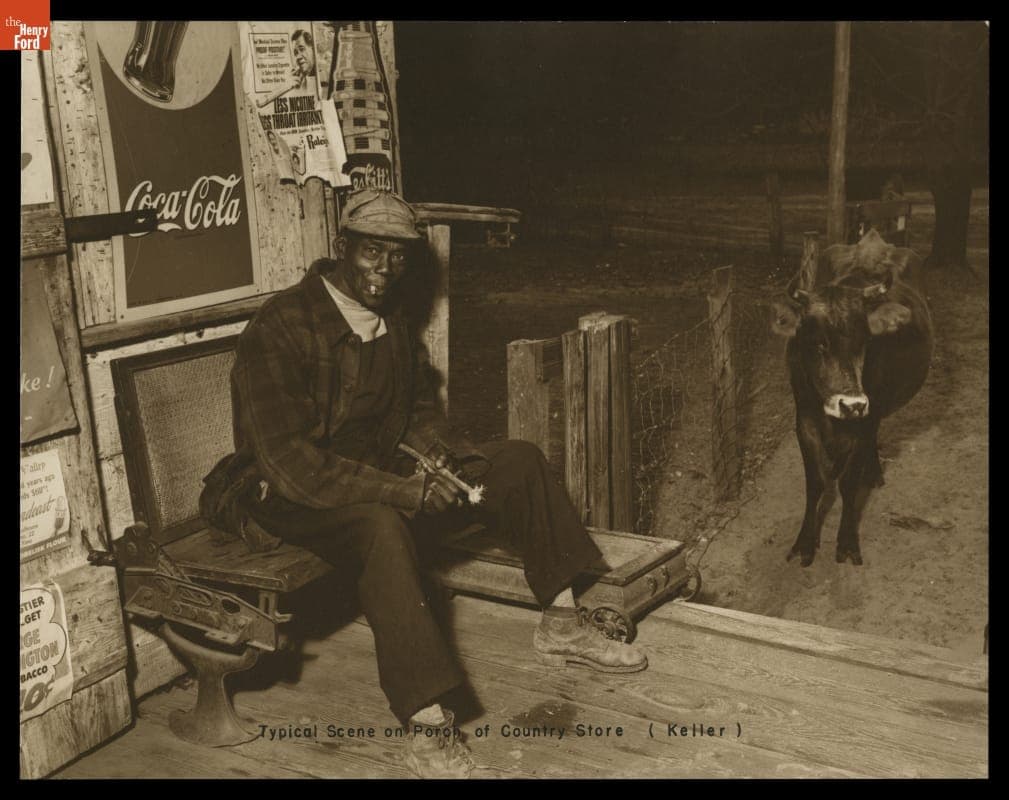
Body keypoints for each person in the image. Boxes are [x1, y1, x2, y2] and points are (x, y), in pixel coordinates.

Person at [206, 190, 647, 779]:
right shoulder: (282, 326)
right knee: (381, 525)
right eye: (371, 253)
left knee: (517, 460)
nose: (385, 271)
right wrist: (400, 491)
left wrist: (435, 457)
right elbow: (289, 462)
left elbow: (416, 410)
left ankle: (562, 625)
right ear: (341, 248)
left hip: (375, 474)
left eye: (398, 257)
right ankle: (427, 728)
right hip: (288, 496)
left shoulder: (392, 321)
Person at [290, 29, 317, 94]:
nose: (298, 57)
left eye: (302, 49)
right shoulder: (298, 78)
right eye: (296, 53)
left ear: (313, 49)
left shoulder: (322, 76)